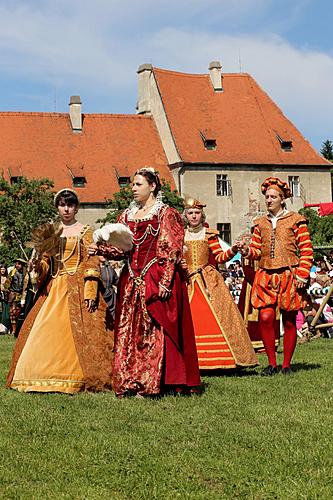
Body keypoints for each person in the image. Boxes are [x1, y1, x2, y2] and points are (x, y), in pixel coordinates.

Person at [94, 167, 201, 397]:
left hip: (155, 275)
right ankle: (131, 380)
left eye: (138, 184)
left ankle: (157, 382)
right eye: (132, 184)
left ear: (152, 186)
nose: (133, 188)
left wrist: (165, 280)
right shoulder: (126, 215)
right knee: (130, 332)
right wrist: (100, 248)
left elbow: (170, 248)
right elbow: (122, 249)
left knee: (154, 329)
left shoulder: (165, 213)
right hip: (131, 278)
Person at [7, 188, 114, 393]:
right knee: (43, 329)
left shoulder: (86, 231)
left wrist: (90, 291)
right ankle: (38, 374)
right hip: (54, 287)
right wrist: (38, 266)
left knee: (83, 334)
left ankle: (76, 376)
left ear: (76, 207)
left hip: (78, 287)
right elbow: (47, 264)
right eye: (62, 205)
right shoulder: (52, 233)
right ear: (57, 207)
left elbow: (91, 262)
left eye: (70, 205)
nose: (66, 209)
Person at [241, 177, 313, 375]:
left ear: (282, 199)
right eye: (267, 197)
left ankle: (286, 364)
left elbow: (306, 250)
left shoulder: (296, 220)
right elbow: (256, 250)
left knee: (289, 320)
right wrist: (247, 251)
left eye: (273, 197)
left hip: (289, 274)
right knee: (265, 316)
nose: (269, 200)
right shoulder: (259, 223)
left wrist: (302, 274)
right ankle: (272, 363)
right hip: (265, 273)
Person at [182, 198, 258, 370]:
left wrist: (233, 250)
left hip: (208, 279)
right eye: (190, 213)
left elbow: (219, 257)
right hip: (186, 280)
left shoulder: (210, 234)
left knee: (221, 314)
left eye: (197, 213)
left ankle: (225, 359)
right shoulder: (179, 234)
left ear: (202, 215)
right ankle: (190, 360)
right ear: (185, 215)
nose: (194, 216)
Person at [7, 259, 25, 336]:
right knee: (13, 313)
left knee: (20, 313)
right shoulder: (12, 273)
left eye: (19, 264)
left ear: (22, 265)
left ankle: (20, 329)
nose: (17, 265)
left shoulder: (25, 273)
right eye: (16, 264)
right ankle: (14, 330)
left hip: (22, 295)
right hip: (13, 295)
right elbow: (6, 284)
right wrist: (10, 292)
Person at [0, 265, 10, 333]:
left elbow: (9, 287)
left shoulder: (8, 278)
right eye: (1, 269)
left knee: (6, 313)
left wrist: (5, 289)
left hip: (6, 297)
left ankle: (5, 328)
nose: (3, 270)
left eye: (4, 269)